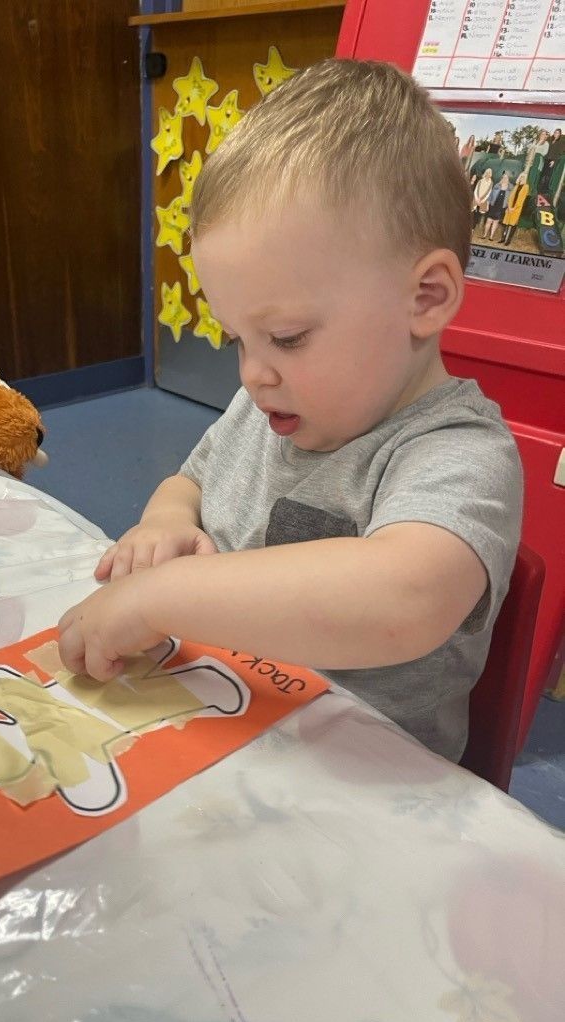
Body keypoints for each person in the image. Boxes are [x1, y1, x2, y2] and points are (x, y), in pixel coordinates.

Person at [57, 59, 522, 763]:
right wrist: (165, 523)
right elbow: (190, 481)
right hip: (227, 725)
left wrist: (166, 596)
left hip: (359, 782)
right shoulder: (269, 403)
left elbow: (405, 599)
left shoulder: (458, 450)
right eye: (238, 340)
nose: (252, 373)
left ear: (426, 297)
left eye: (287, 337)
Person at [502, 171, 529, 245]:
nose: (521, 178)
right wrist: (509, 207)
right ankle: (503, 238)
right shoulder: (516, 186)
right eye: (521, 177)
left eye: (523, 177)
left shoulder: (526, 187)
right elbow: (510, 197)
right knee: (506, 223)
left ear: (525, 179)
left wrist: (514, 208)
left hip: (517, 208)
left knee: (513, 224)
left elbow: (521, 199)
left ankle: (508, 240)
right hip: (510, 207)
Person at [484, 171, 511, 241]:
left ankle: (491, 237)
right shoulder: (497, 185)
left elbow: (510, 199)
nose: (505, 179)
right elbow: (490, 196)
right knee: (488, 221)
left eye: (506, 178)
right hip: (493, 205)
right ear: (502, 178)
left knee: (495, 222)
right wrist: (487, 205)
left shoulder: (510, 188)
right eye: (503, 177)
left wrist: (507, 208)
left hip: (501, 207)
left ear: (508, 179)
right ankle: (484, 235)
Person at [472, 167, 493, 233]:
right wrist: (477, 199)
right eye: (487, 172)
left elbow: (489, 193)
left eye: (489, 173)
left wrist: (482, 201)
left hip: (482, 202)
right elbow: (476, 190)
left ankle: (472, 228)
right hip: (476, 199)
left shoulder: (491, 183)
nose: (488, 174)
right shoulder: (480, 181)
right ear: (485, 173)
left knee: (477, 216)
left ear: (491, 174)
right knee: (472, 213)